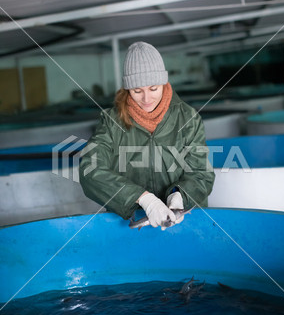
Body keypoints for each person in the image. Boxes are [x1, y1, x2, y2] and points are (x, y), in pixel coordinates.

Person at [79, 42, 215, 229]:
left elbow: (202, 173)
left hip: (185, 224)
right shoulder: (111, 122)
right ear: (128, 89)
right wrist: (144, 200)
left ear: (164, 83)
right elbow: (90, 169)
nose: (146, 99)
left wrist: (180, 196)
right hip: (134, 224)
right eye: (137, 91)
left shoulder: (188, 118)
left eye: (153, 89)